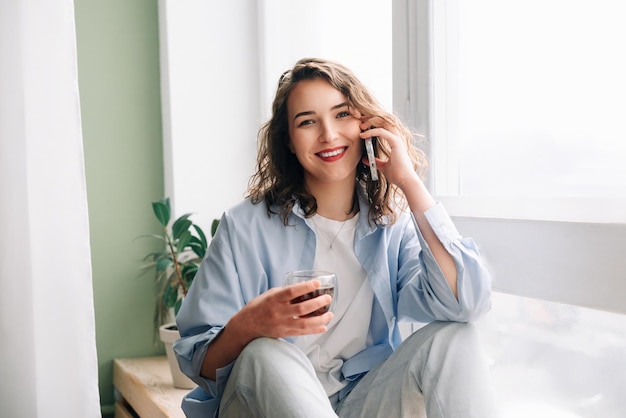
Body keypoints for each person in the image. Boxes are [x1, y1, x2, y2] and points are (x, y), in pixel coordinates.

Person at [174, 57, 497, 418]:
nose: (328, 134)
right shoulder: (244, 226)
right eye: (308, 121)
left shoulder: (392, 227)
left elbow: (464, 303)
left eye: (342, 114)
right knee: (267, 352)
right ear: (290, 142)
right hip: (261, 403)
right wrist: (250, 324)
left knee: (455, 339)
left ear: (366, 126)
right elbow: (197, 363)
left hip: (360, 401)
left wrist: (407, 180)